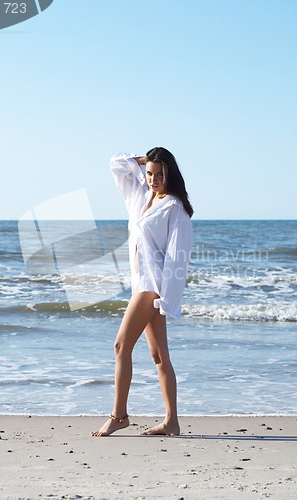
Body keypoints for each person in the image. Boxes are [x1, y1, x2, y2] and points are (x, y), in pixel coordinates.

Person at [91, 147, 193, 437]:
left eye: (160, 174)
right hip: (140, 283)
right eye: (149, 173)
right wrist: (141, 161)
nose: (153, 179)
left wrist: (167, 299)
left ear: (170, 173)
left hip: (152, 286)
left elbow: (177, 256)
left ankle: (119, 415)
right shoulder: (142, 197)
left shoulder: (175, 209)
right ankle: (171, 421)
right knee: (159, 356)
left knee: (121, 346)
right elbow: (116, 164)